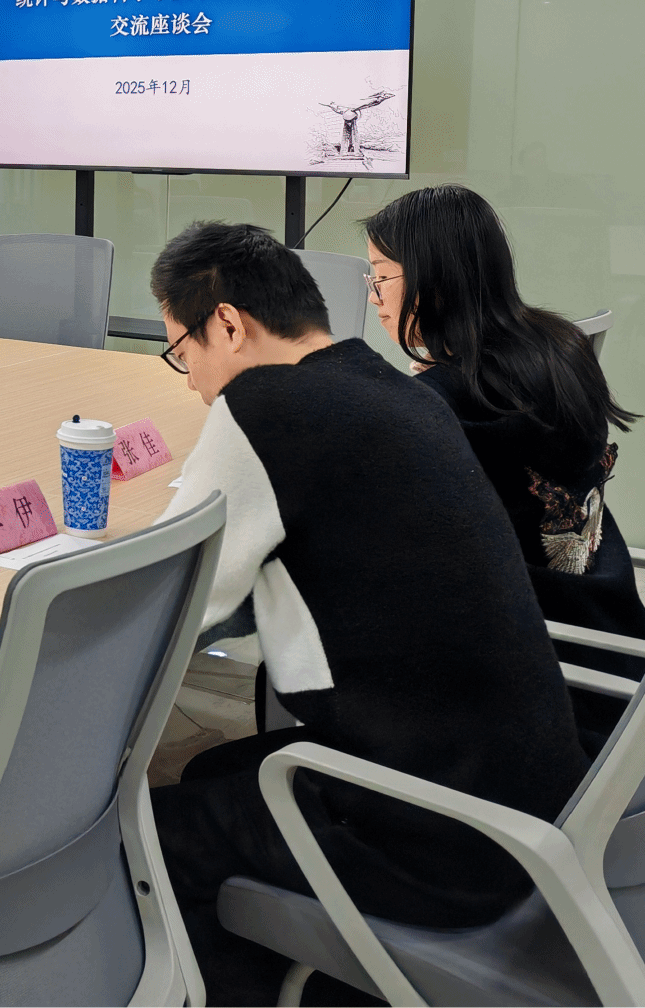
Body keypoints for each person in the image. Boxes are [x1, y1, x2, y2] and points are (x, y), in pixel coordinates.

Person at [142, 222, 588, 1006]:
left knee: (154, 833)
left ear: (228, 324)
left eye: (183, 350)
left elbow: (159, 605)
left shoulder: (263, 406)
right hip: (532, 805)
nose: (189, 380)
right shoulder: (386, 383)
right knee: (213, 770)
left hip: (437, 844)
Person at [363, 184, 645, 748]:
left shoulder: (440, 406)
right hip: (614, 633)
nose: (374, 296)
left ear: (433, 282)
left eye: (380, 276)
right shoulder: (560, 347)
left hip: (539, 684)